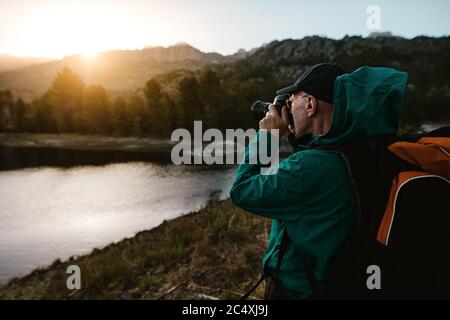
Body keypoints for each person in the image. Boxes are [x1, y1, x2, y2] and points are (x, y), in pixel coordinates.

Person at [230, 63, 408, 299]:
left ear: (311, 104)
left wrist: (268, 135)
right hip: (335, 285)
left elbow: (242, 189)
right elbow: (320, 150)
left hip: (297, 291)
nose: (288, 109)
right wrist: (296, 132)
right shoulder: (360, 153)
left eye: (292, 102)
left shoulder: (308, 168)